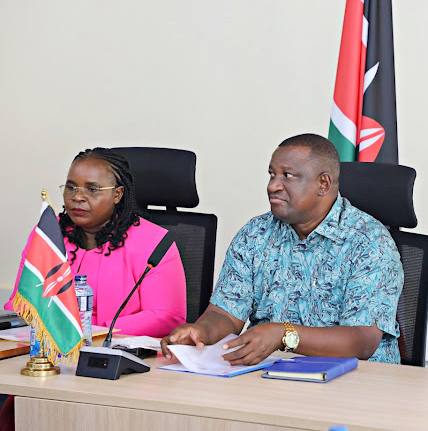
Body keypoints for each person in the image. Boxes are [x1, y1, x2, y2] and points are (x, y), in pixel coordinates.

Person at [161, 133, 404, 365]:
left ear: (323, 183)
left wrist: (282, 335)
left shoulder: (370, 242)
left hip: (356, 385)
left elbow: (361, 342)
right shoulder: (255, 234)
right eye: (272, 175)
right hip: (268, 375)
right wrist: (200, 331)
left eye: (287, 175)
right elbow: (225, 314)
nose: (273, 186)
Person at [4, 148, 187, 337]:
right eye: (71, 187)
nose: (77, 197)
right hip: (48, 351)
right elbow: (20, 303)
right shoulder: (48, 235)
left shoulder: (154, 243)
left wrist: (93, 331)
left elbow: (167, 317)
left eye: (92, 189)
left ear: (117, 194)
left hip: (120, 353)